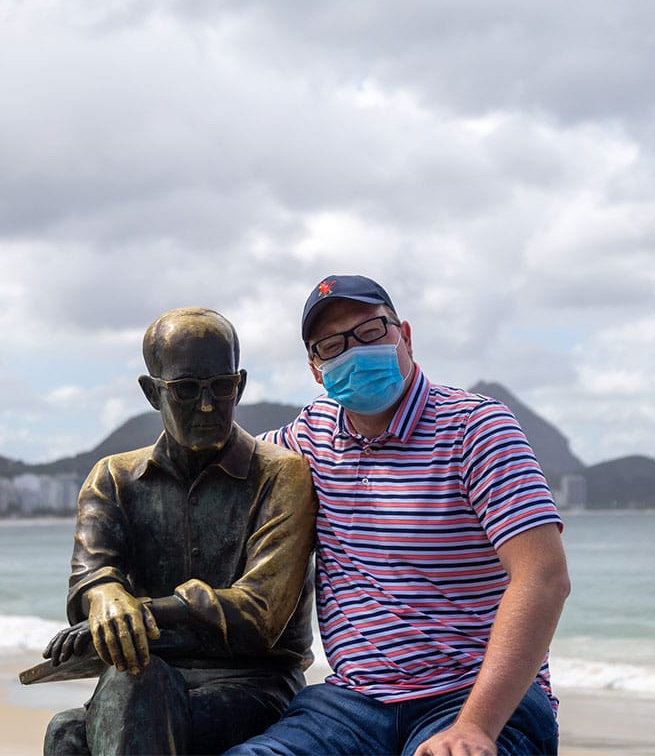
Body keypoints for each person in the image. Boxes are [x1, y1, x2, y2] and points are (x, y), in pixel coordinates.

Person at [227, 275, 570, 756]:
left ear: (404, 335)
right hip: (352, 703)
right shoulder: (309, 438)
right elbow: (219, 463)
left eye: (370, 332)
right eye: (332, 345)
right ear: (315, 367)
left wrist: (475, 726)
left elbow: (543, 578)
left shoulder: (476, 428)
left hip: (473, 696)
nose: (354, 352)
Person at [41, 307, 318, 756]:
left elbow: (260, 615)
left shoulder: (280, 475)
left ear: (240, 385)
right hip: (145, 675)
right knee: (67, 732)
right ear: (152, 392)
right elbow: (92, 575)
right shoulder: (112, 478)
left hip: (254, 685)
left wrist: (144, 612)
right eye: (186, 390)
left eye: (221, 387)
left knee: (135, 686)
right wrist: (106, 599)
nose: (207, 405)